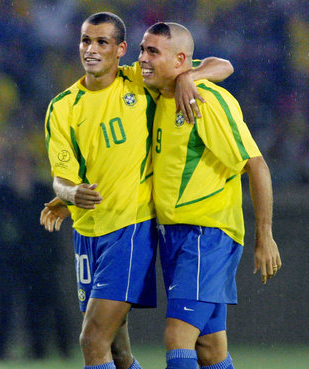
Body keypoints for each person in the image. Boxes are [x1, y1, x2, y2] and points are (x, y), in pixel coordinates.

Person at [43, 12, 233, 369]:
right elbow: (61, 176)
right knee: (124, 351)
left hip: (130, 228)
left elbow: (223, 65)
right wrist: (69, 195)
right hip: (87, 232)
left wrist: (190, 76)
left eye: (102, 42)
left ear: (120, 50)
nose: (92, 49)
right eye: (86, 41)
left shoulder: (138, 80)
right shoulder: (62, 106)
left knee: (92, 338)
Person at [138, 22, 282, 369]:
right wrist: (192, 75)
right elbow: (222, 63)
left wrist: (265, 236)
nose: (142, 58)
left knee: (178, 336)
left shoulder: (208, 102)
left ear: (180, 60)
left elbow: (257, 166)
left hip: (204, 234)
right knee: (210, 348)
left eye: (152, 52)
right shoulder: (162, 90)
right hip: (176, 235)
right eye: (142, 49)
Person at [0, 139, 71, 360]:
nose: (21, 167)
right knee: (7, 303)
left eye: (24, 162)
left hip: (41, 256)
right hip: (15, 257)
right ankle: (2, 348)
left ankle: (50, 348)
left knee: (45, 304)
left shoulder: (41, 189)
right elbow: (2, 223)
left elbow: (50, 222)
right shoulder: (5, 191)